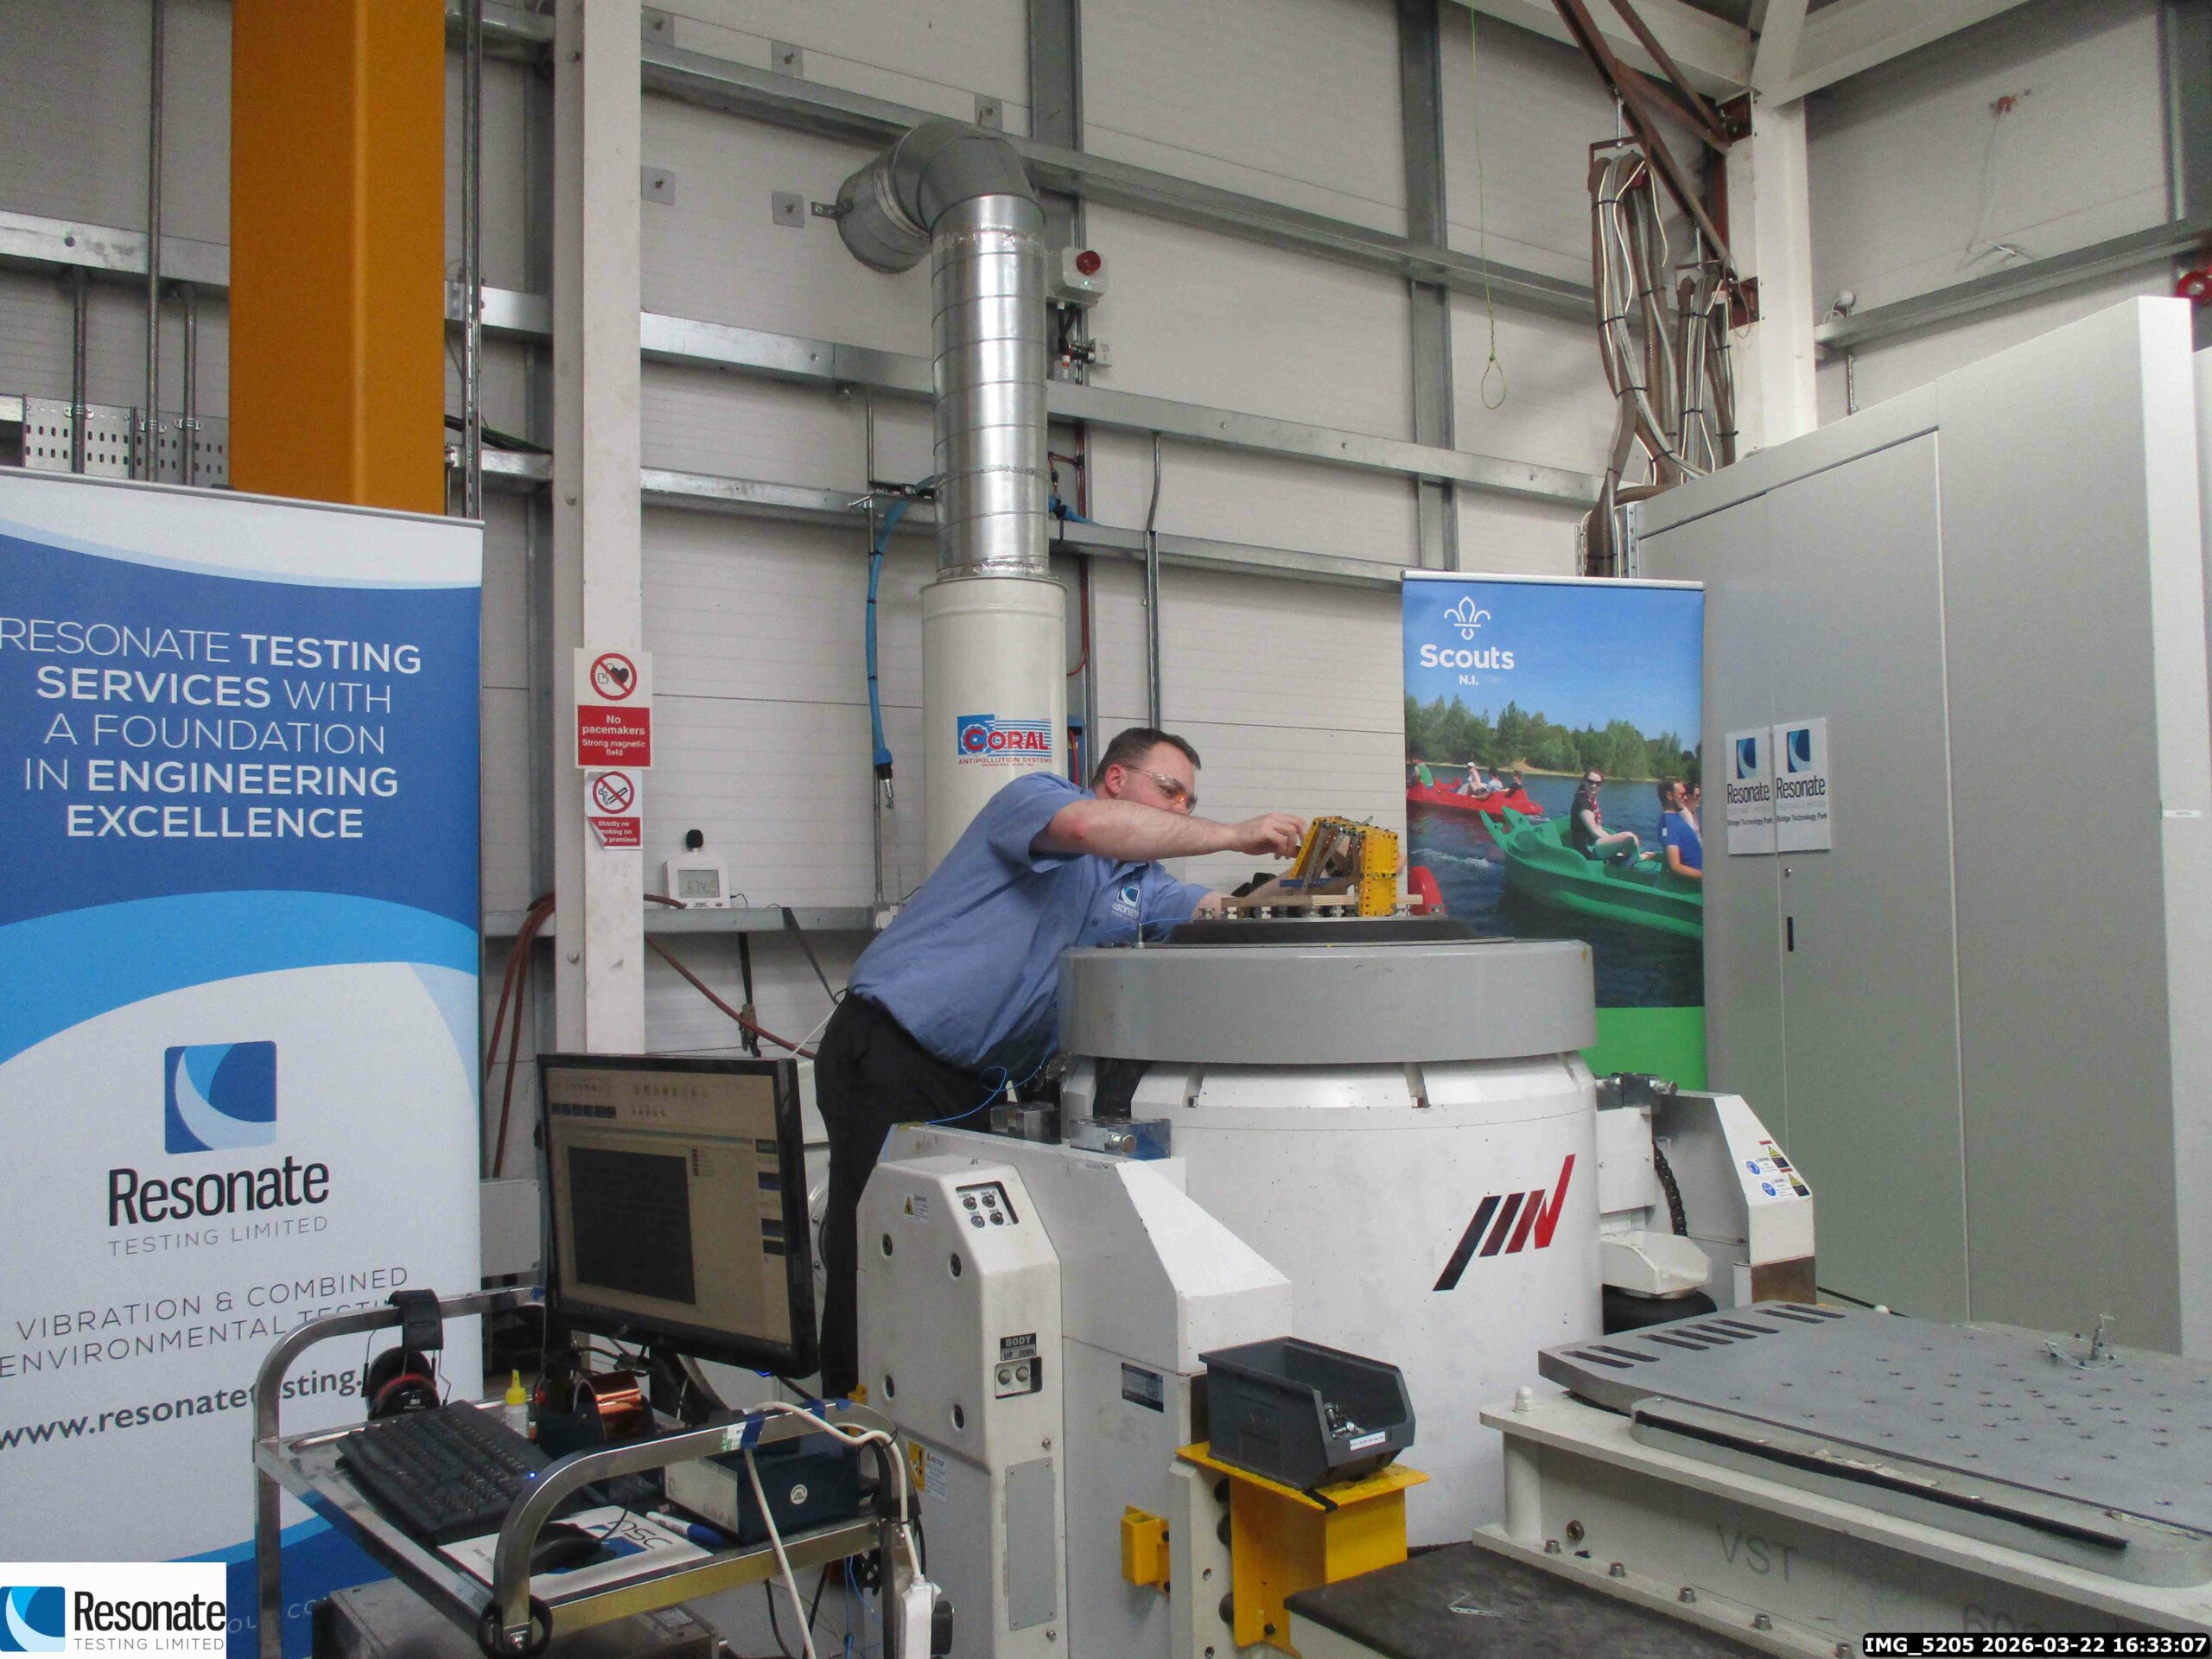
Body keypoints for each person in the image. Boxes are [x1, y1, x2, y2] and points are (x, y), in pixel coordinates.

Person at [810, 727, 1306, 1396]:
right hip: (890, 1050)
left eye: (1190, 802)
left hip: (977, 1086)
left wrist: (1315, 886)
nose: (1182, 809)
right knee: (876, 1249)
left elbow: (1224, 913)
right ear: (1116, 779)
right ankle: (852, 1419)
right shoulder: (1035, 800)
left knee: (955, 1259)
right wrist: (1230, 834)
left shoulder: (1142, 886)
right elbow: (1083, 828)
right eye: (1170, 791)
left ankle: (932, 1420)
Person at [1569, 770, 1639, 861]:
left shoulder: (1591, 801)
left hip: (1595, 844)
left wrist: (1616, 844)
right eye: (1590, 782)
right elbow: (1594, 831)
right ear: (1584, 782)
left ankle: (1635, 857)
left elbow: (1599, 829)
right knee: (1629, 836)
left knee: (1632, 838)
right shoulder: (1582, 802)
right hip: (1588, 849)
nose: (1594, 786)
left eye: (1598, 783)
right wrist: (1615, 844)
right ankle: (1639, 859)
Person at [1657, 778, 1702, 881]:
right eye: (1681, 795)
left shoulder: (1676, 818)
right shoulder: (1669, 824)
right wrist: (1707, 876)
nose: (1685, 798)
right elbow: (1675, 866)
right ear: (1669, 796)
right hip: (1694, 883)